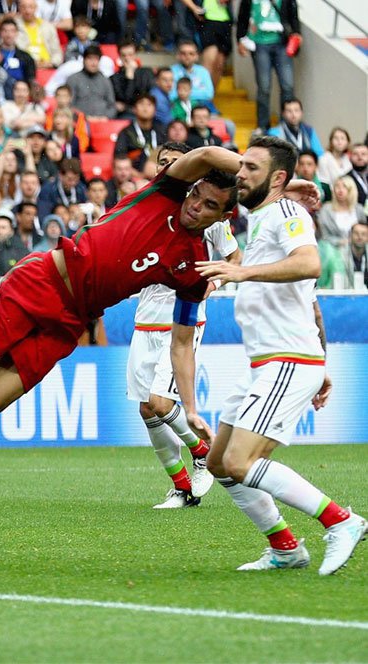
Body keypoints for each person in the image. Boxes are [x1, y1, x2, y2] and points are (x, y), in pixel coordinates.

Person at [0, 144, 320, 493]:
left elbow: (181, 340)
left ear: (222, 219)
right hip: (41, 280)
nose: (196, 207)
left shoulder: (192, 266)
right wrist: (264, 180)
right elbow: (213, 155)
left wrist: (190, 408)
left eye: (211, 207)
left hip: (72, 321)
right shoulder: (163, 192)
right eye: (197, 197)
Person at [195, 135, 366, 575]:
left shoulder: (287, 214)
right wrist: (322, 361)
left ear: (275, 177)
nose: (240, 173)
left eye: (251, 168)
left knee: (240, 462)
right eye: (242, 165)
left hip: (286, 361)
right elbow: (307, 300)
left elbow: (310, 264)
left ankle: (340, 520)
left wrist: (241, 271)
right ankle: (286, 548)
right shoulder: (269, 213)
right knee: (218, 463)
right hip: (270, 363)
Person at [124, 142, 240, 508]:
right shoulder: (152, 211)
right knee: (146, 408)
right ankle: (182, 487)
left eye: (175, 162)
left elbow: (235, 258)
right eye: (163, 163)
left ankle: (204, 452)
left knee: (161, 402)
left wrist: (216, 281)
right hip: (145, 319)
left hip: (183, 322)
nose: (169, 167)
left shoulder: (207, 215)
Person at [236, 0, 299, 133]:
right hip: (259, 44)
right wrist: (240, 39)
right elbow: (243, 17)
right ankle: (263, 125)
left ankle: (287, 124)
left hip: (282, 43)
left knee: (287, 85)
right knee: (264, 87)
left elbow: (293, 13)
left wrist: (297, 32)